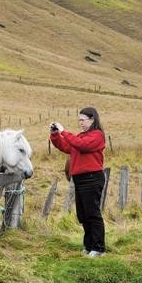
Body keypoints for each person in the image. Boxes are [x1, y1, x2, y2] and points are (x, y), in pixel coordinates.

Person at [49, 107, 107, 257]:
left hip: (92, 178)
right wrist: (55, 134)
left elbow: (82, 145)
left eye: (83, 119)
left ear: (92, 119)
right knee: (83, 215)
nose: (80, 123)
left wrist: (64, 131)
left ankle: (99, 248)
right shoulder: (81, 136)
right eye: (79, 120)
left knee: (93, 214)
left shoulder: (97, 135)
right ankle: (89, 246)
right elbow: (66, 146)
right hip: (80, 179)